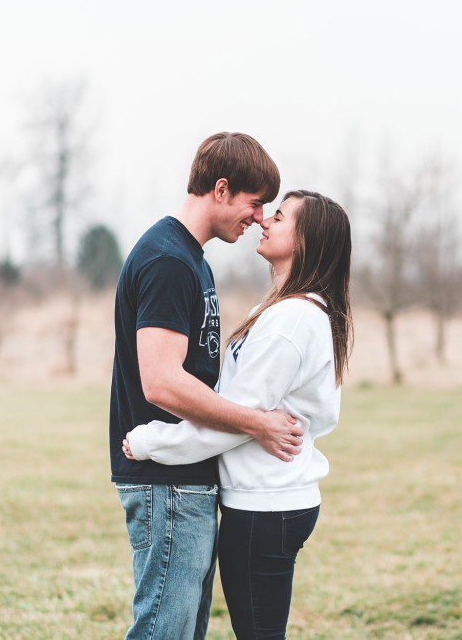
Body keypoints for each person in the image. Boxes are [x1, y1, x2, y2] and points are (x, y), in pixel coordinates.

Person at [123, 189, 353, 640]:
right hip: (270, 501)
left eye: (281, 217)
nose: (265, 221)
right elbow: (247, 415)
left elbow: (233, 422)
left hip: (264, 506)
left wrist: (152, 442)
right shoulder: (290, 312)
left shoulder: (292, 321)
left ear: (306, 242)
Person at [110, 132, 306, 640]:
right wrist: (257, 423)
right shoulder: (169, 261)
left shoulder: (191, 259)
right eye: (254, 203)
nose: (259, 217)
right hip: (166, 482)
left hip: (186, 478)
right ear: (221, 190)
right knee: (164, 632)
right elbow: (162, 383)